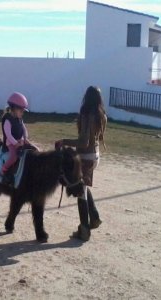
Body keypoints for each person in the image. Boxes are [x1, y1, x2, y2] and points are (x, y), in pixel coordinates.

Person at [55, 86, 107, 241]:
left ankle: (84, 229)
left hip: (85, 157)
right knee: (83, 186)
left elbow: (84, 142)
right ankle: (95, 217)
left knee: (80, 191)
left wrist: (64, 141)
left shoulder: (87, 114)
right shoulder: (101, 115)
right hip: (96, 156)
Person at [0, 92, 36, 184]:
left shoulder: (20, 119)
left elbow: (24, 129)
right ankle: (3, 170)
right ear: (14, 109)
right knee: (13, 157)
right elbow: (8, 134)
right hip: (11, 143)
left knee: (34, 149)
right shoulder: (8, 120)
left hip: (20, 141)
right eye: (21, 111)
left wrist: (25, 138)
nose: (23, 113)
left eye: (23, 111)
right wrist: (15, 143)